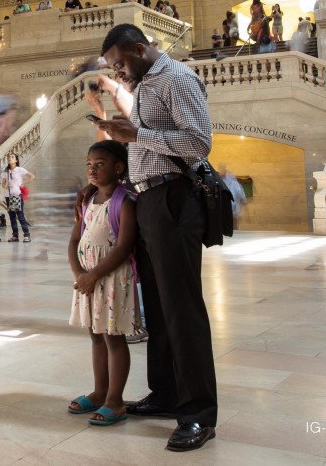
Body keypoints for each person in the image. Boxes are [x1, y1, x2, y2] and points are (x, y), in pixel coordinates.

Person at [97, 23, 217, 452]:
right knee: (159, 309)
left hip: (174, 199)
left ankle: (199, 414)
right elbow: (154, 139)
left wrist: (136, 134)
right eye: (115, 68)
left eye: (121, 63)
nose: (120, 72)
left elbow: (199, 142)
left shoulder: (177, 78)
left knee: (182, 308)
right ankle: (166, 394)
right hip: (147, 199)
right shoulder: (145, 84)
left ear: (140, 48)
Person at [66, 140, 140, 425]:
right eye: (89, 165)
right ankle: (99, 392)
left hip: (111, 279)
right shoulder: (87, 200)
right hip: (87, 279)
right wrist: (78, 274)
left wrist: (94, 274)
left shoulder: (124, 201)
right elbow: (75, 239)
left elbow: (123, 248)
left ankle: (115, 401)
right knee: (95, 335)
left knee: (113, 337)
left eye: (100, 165)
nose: (93, 170)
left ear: (118, 168)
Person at [1, 153, 34, 242]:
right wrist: (6, 184)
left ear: (16, 160)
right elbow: (3, 184)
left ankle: (27, 235)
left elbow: (32, 176)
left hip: (17, 195)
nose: (10, 158)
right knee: (12, 216)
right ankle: (15, 236)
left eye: (12, 157)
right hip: (8, 195)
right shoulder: (5, 171)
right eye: (9, 157)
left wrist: (24, 185)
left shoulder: (19, 169)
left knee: (20, 216)